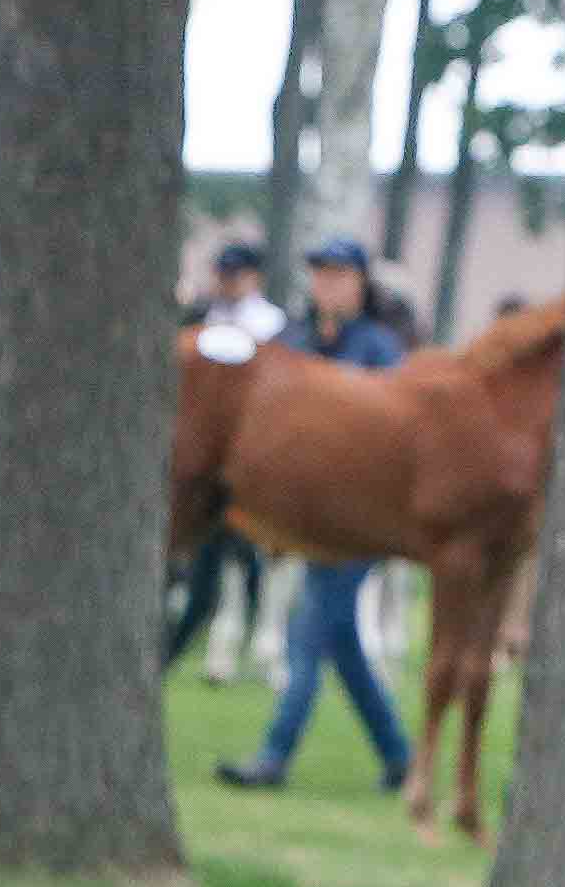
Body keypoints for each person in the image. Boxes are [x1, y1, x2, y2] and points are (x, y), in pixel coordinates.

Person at [213, 238, 414, 796]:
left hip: (362, 521)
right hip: (305, 518)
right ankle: (400, 757)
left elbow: (395, 432)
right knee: (342, 642)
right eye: (319, 273)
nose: (326, 284)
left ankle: (273, 758)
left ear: (359, 283)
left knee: (309, 628)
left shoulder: (379, 349)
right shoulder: (292, 342)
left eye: (338, 274)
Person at [164, 244, 293, 680]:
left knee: (251, 560)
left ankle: (258, 641)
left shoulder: (273, 327)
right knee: (212, 565)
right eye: (223, 273)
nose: (227, 281)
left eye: (235, 274)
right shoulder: (203, 320)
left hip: (252, 458)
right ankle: (187, 649)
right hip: (206, 465)